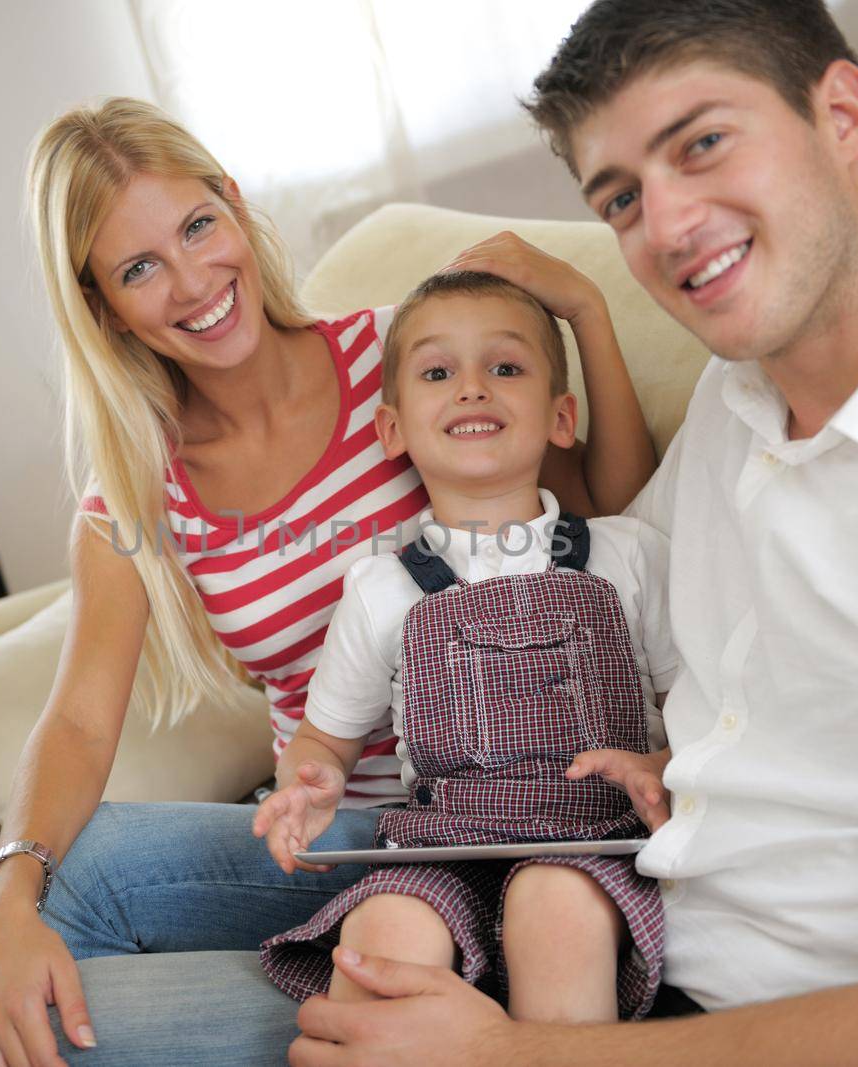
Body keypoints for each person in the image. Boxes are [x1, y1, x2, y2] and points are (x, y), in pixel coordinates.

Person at [281, 1, 858, 1065]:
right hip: (581, 888)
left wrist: (509, 1054)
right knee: (97, 906)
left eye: (701, 144)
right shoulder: (740, 401)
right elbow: (611, 578)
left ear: (840, 111)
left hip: (698, 1010)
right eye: (622, 197)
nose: (670, 225)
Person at [0, 97, 659, 1067]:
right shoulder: (135, 487)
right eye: (138, 267)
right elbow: (80, 719)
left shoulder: (405, 358)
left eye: (198, 226)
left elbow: (597, 517)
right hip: (339, 833)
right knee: (79, 877)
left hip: (508, 798)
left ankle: (429, 1002)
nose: (193, 279)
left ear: (236, 208)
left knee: (69, 1016)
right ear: (101, 304)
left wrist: (584, 309)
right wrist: (6, 891)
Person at [252, 271, 681, 1023]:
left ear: (560, 416)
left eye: (505, 367)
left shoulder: (628, 554)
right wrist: (308, 782)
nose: (473, 388)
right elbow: (323, 739)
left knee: (554, 907)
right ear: (393, 429)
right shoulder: (381, 588)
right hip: (442, 852)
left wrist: (665, 767)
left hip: (594, 849)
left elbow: (698, 711)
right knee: (379, 931)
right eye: (438, 372)